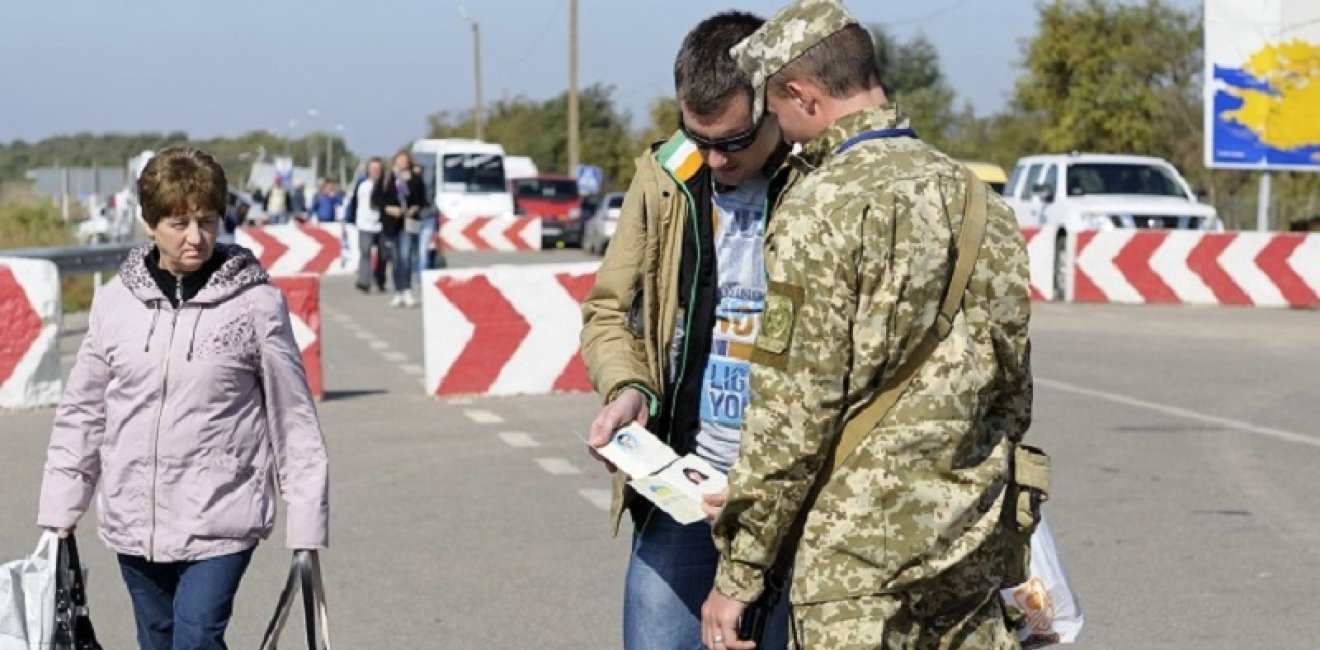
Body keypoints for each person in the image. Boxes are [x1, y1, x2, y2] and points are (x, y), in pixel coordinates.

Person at [700, 1, 1035, 649]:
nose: (781, 131)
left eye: (776, 110)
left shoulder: (819, 208)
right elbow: (1014, 392)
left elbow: (793, 413)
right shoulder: (978, 200)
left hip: (856, 569)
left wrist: (739, 573)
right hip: (966, 545)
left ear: (804, 95)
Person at [37, 147, 330, 650]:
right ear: (149, 224)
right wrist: (60, 512)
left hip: (222, 515)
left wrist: (305, 527)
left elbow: (293, 417)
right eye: (178, 222)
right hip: (134, 521)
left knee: (196, 636)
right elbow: (83, 413)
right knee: (157, 639)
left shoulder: (255, 303)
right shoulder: (114, 303)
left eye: (207, 221)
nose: (195, 237)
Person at [580, 11, 792, 650]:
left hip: (785, 501)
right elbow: (609, 310)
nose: (713, 158)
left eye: (732, 141)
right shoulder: (667, 176)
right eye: (697, 136)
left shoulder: (819, 185)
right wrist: (629, 389)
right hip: (682, 489)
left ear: (776, 104)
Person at [372, 151, 427, 308]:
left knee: (406, 256)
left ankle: (407, 289)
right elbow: (376, 198)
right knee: (395, 259)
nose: (402, 163)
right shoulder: (387, 178)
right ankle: (398, 291)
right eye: (400, 160)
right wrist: (388, 208)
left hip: (407, 223)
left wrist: (415, 208)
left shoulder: (415, 179)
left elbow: (422, 199)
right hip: (391, 224)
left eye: (405, 161)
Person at [350, 159, 388, 293]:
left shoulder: (386, 185)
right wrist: (353, 218)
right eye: (373, 169)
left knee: (383, 255)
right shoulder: (361, 185)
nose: (375, 171)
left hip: (381, 225)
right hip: (364, 225)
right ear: (368, 170)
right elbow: (354, 202)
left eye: (378, 169)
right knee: (365, 253)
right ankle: (364, 281)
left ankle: (380, 280)